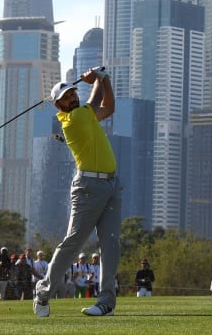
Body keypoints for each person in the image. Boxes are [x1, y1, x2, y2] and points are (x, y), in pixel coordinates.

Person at [33, 67, 121, 318]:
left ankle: (106, 303)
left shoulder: (86, 116)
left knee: (111, 243)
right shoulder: (73, 119)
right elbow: (97, 99)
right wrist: (97, 79)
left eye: (73, 93)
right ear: (58, 105)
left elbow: (109, 107)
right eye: (67, 97)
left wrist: (105, 79)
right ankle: (43, 292)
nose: (72, 98)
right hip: (88, 188)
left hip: (112, 185)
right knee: (74, 242)